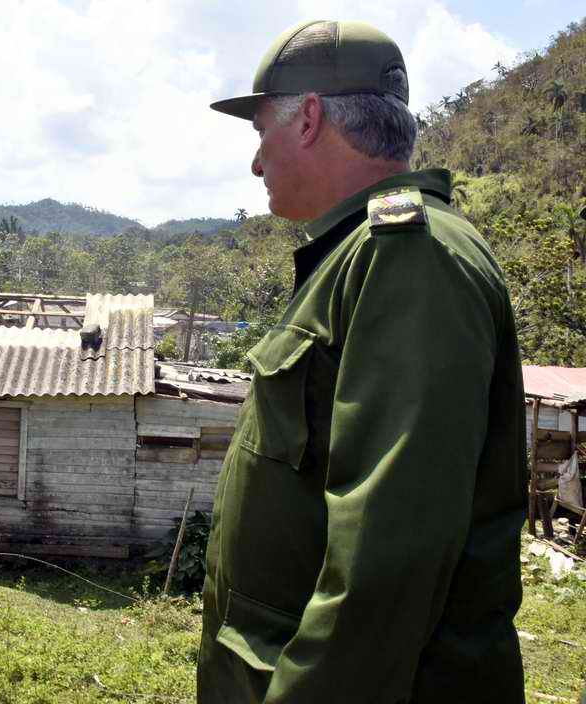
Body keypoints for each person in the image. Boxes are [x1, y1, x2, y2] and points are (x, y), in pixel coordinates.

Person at [199, 20, 527, 704]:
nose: (256, 162)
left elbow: (388, 555)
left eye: (261, 132)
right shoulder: (358, 257)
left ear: (310, 117)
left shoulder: (408, 255)